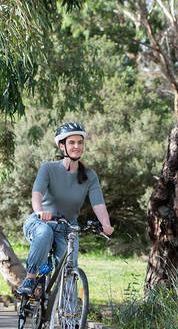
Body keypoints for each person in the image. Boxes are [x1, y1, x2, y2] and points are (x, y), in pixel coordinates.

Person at [18, 122, 114, 302]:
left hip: (68, 227)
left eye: (80, 142)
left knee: (70, 270)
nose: (77, 146)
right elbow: (36, 194)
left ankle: (69, 324)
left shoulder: (89, 175)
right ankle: (30, 280)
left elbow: (98, 203)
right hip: (41, 222)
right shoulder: (48, 168)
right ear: (62, 146)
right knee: (44, 233)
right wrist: (39, 212)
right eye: (72, 142)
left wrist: (106, 224)